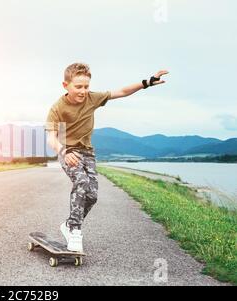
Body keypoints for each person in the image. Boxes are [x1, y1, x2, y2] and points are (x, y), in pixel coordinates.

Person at [45, 62, 168, 252]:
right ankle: (75, 231)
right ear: (65, 85)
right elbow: (51, 138)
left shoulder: (92, 98)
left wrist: (147, 82)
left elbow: (121, 91)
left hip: (87, 152)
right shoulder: (58, 108)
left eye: (86, 86)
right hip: (68, 151)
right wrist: (64, 151)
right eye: (78, 87)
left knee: (92, 196)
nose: (83, 91)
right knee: (81, 182)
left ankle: (69, 224)